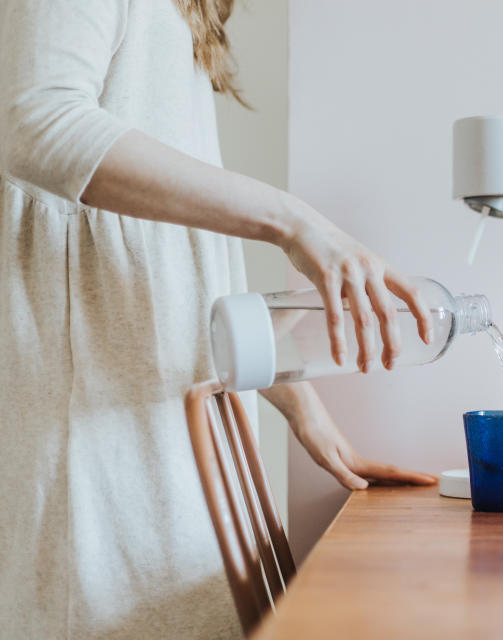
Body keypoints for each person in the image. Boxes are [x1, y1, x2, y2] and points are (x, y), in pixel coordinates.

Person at [0, 0, 437, 637]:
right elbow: (35, 122)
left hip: (161, 433)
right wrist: (293, 220)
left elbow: (178, 256)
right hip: (101, 449)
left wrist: (297, 402)